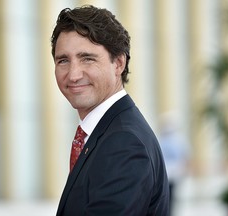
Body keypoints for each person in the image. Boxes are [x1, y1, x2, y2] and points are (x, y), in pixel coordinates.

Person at [51, 5, 169, 216]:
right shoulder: (109, 131)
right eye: (63, 60)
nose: (73, 74)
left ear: (119, 63)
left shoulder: (124, 142)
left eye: (87, 58)